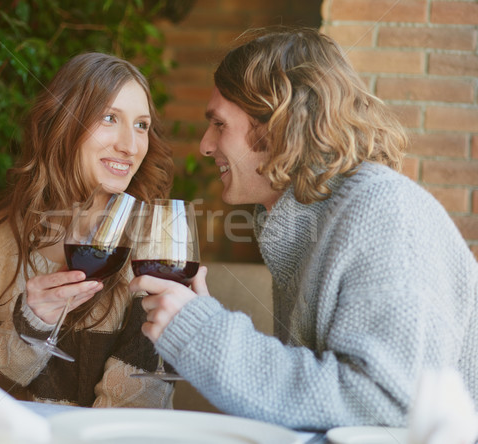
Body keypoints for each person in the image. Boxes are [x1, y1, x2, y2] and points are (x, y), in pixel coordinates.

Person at [130, 28, 478, 430]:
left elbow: (382, 402)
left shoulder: (384, 211)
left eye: (219, 125)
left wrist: (205, 333)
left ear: (277, 125)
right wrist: (200, 321)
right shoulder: (300, 224)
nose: (206, 146)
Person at [0, 52, 175, 407]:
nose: (130, 146)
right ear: (64, 123)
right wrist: (28, 330)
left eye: (141, 125)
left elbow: (133, 411)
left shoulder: (155, 250)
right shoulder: (0, 236)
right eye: (110, 118)